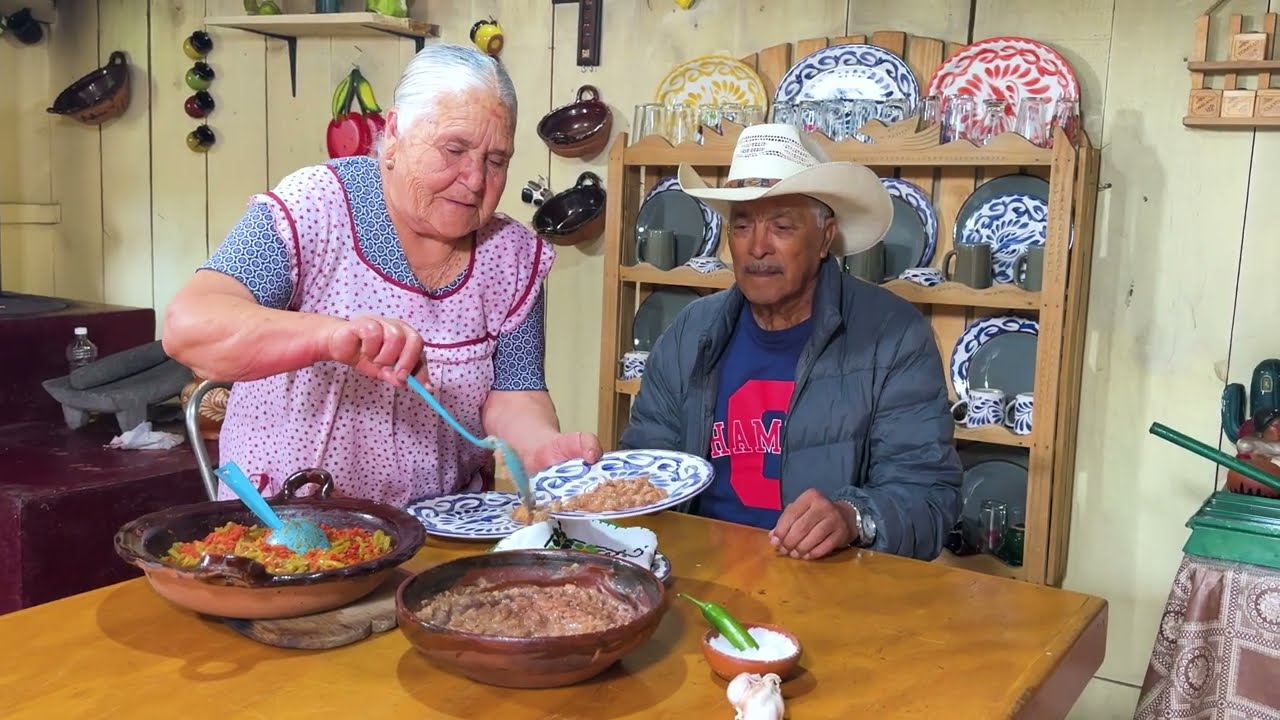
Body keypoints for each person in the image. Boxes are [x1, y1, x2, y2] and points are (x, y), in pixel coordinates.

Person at [163, 42, 602, 507]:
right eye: (454, 149)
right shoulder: (317, 207)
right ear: (394, 133)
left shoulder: (511, 255)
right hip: (289, 528)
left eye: (496, 161)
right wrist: (333, 338)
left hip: (440, 532)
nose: (475, 179)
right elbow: (188, 328)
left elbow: (513, 394)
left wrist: (541, 447)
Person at [620, 123, 962, 561]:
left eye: (781, 226)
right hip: (699, 574)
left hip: (827, 590)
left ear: (825, 237)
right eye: (742, 226)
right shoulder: (690, 333)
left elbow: (929, 496)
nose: (757, 247)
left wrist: (853, 517)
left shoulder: (894, 336)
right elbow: (645, 469)